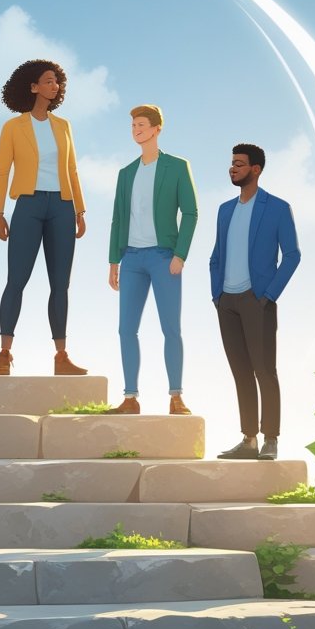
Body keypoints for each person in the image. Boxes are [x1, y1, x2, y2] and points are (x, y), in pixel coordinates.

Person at [0, 59, 88, 376]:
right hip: (28, 206)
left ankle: (61, 356)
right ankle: (4, 353)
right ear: (33, 87)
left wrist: (80, 210)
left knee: (60, 284)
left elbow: (72, 169)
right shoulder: (13, 127)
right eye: (48, 81)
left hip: (61, 206)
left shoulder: (64, 127)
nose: (54, 86)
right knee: (16, 280)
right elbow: (2, 170)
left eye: (57, 81)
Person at [211, 143, 301, 460]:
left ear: (256, 170)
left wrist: (268, 295)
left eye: (239, 163)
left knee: (265, 370)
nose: (233, 168)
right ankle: (249, 440)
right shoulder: (225, 210)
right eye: (231, 162)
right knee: (240, 372)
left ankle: (271, 438)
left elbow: (292, 255)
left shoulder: (276, 208)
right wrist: (216, 294)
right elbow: (216, 257)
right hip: (228, 303)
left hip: (257, 300)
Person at [107, 104, 198, 415]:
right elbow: (117, 219)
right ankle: (130, 397)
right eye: (133, 125)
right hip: (131, 258)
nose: (136, 130)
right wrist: (113, 262)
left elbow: (190, 212)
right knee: (125, 329)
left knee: (170, 328)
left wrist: (180, 255)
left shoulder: (176, 167)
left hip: (163, 258)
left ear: (157, 128)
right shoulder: (126, 173)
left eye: (142, 124)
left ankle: (176, 396)